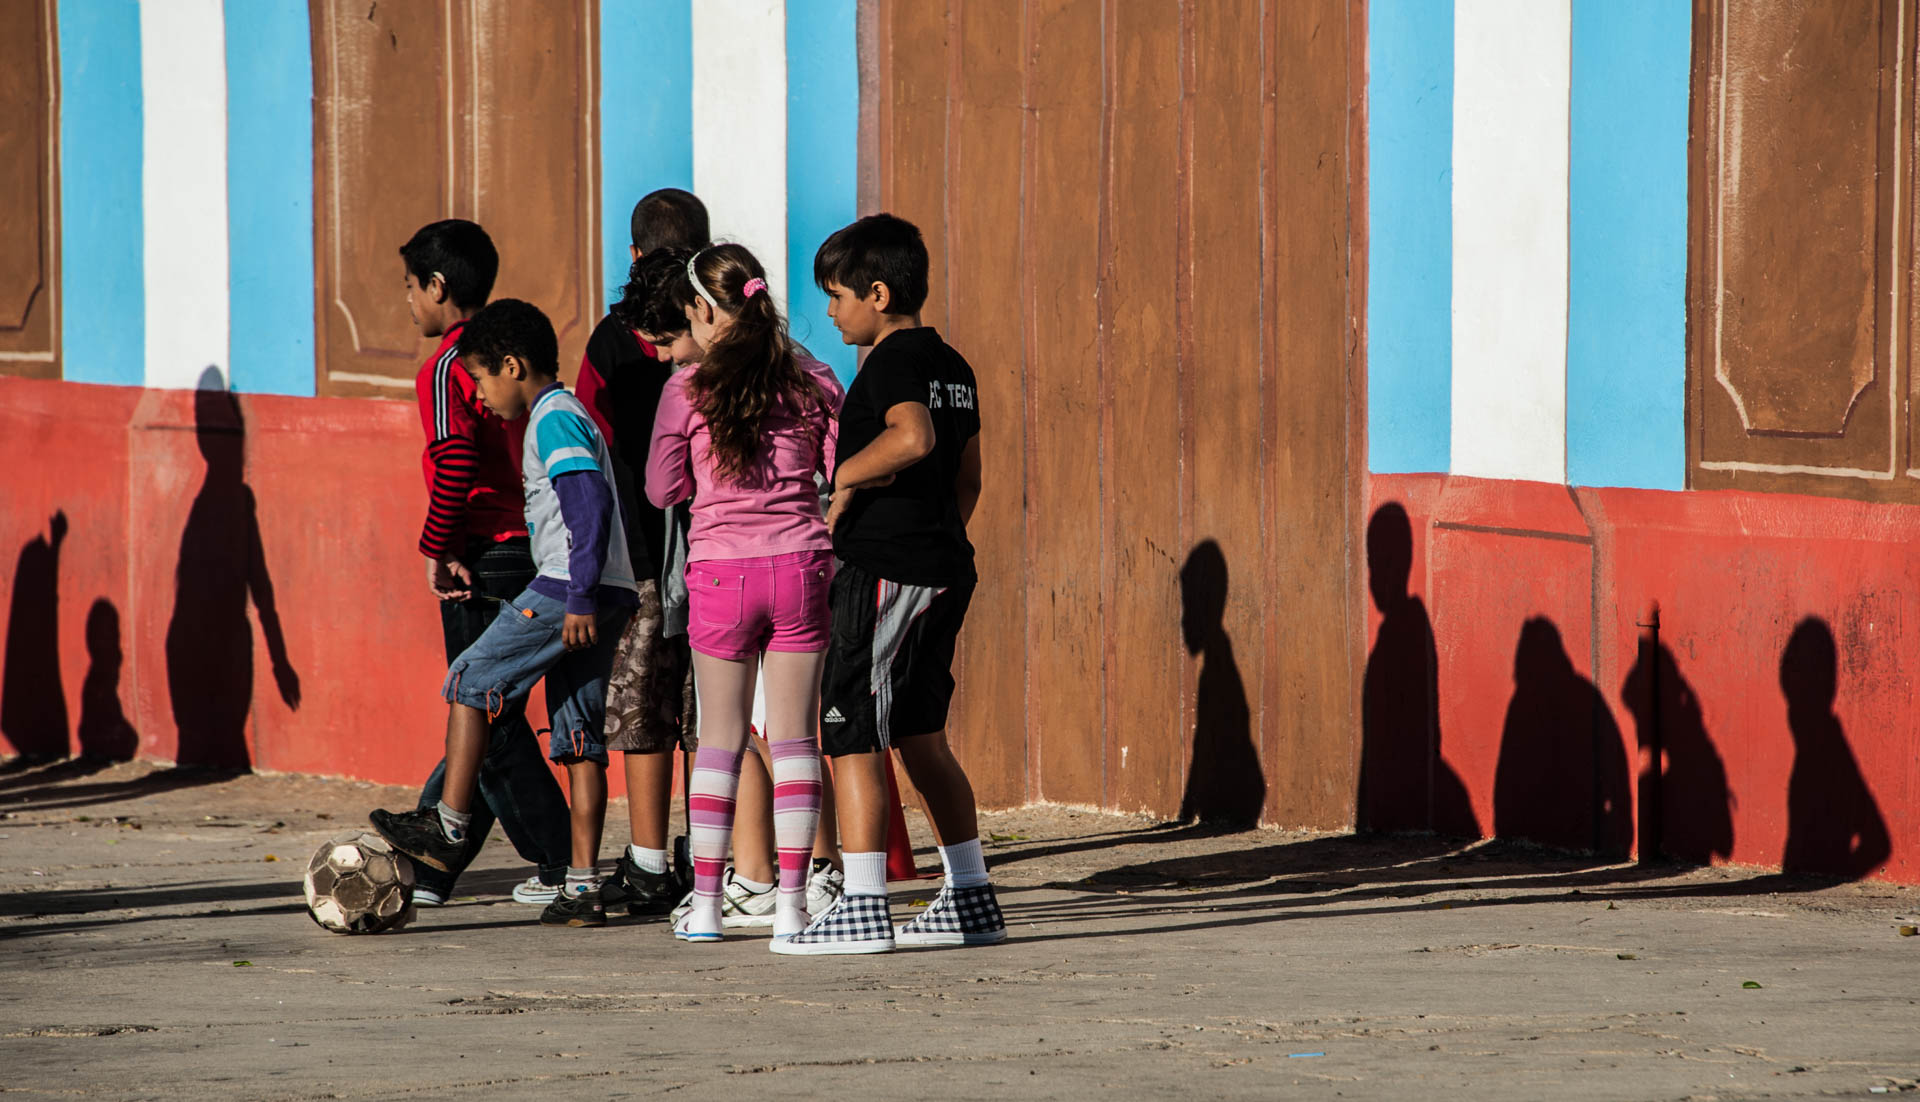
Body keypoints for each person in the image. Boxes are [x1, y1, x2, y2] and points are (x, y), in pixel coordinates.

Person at [775, 214, 1005, 955]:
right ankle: (971, 897)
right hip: (943, 569)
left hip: (886, 573)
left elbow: (913, 438)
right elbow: (968, 479)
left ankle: (865, 905)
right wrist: (936, 539)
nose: (831, 311)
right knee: (919, 734)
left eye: (838, 296)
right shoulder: (953, 365)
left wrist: (843, 478)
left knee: (852, 732)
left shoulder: (892, 363)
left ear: (877, 294)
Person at [371, 299, 639, 928]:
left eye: (482, 380)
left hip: (570, 587)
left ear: (513, 366)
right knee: (578, 737)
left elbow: (589, 504)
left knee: (470, 679)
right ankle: (581, 886)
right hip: (608, 590)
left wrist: (578, 596)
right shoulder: (566, 414)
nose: (481, 397)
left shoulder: (553, 418)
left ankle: (447, 825)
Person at [618, 248, 848, 928]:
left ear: (701, 309)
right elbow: (838, 470)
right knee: (796, 739)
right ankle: (795, 907)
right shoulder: (814, 377)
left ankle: (711, 907)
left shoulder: (685, 389)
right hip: (803, 565)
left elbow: (662, 489)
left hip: (721, 573)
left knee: (719, 742)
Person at [399, 220, 571, 908]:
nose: (409, 302)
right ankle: (431, 867)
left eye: (411, 287)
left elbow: (455, 461)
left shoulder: (449, 367)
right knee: (484, 711)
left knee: (484, 709)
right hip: (527, 548)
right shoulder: (505, 355)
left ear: (438, 287)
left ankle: (561, 861)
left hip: (487, 554)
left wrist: (438, 546)